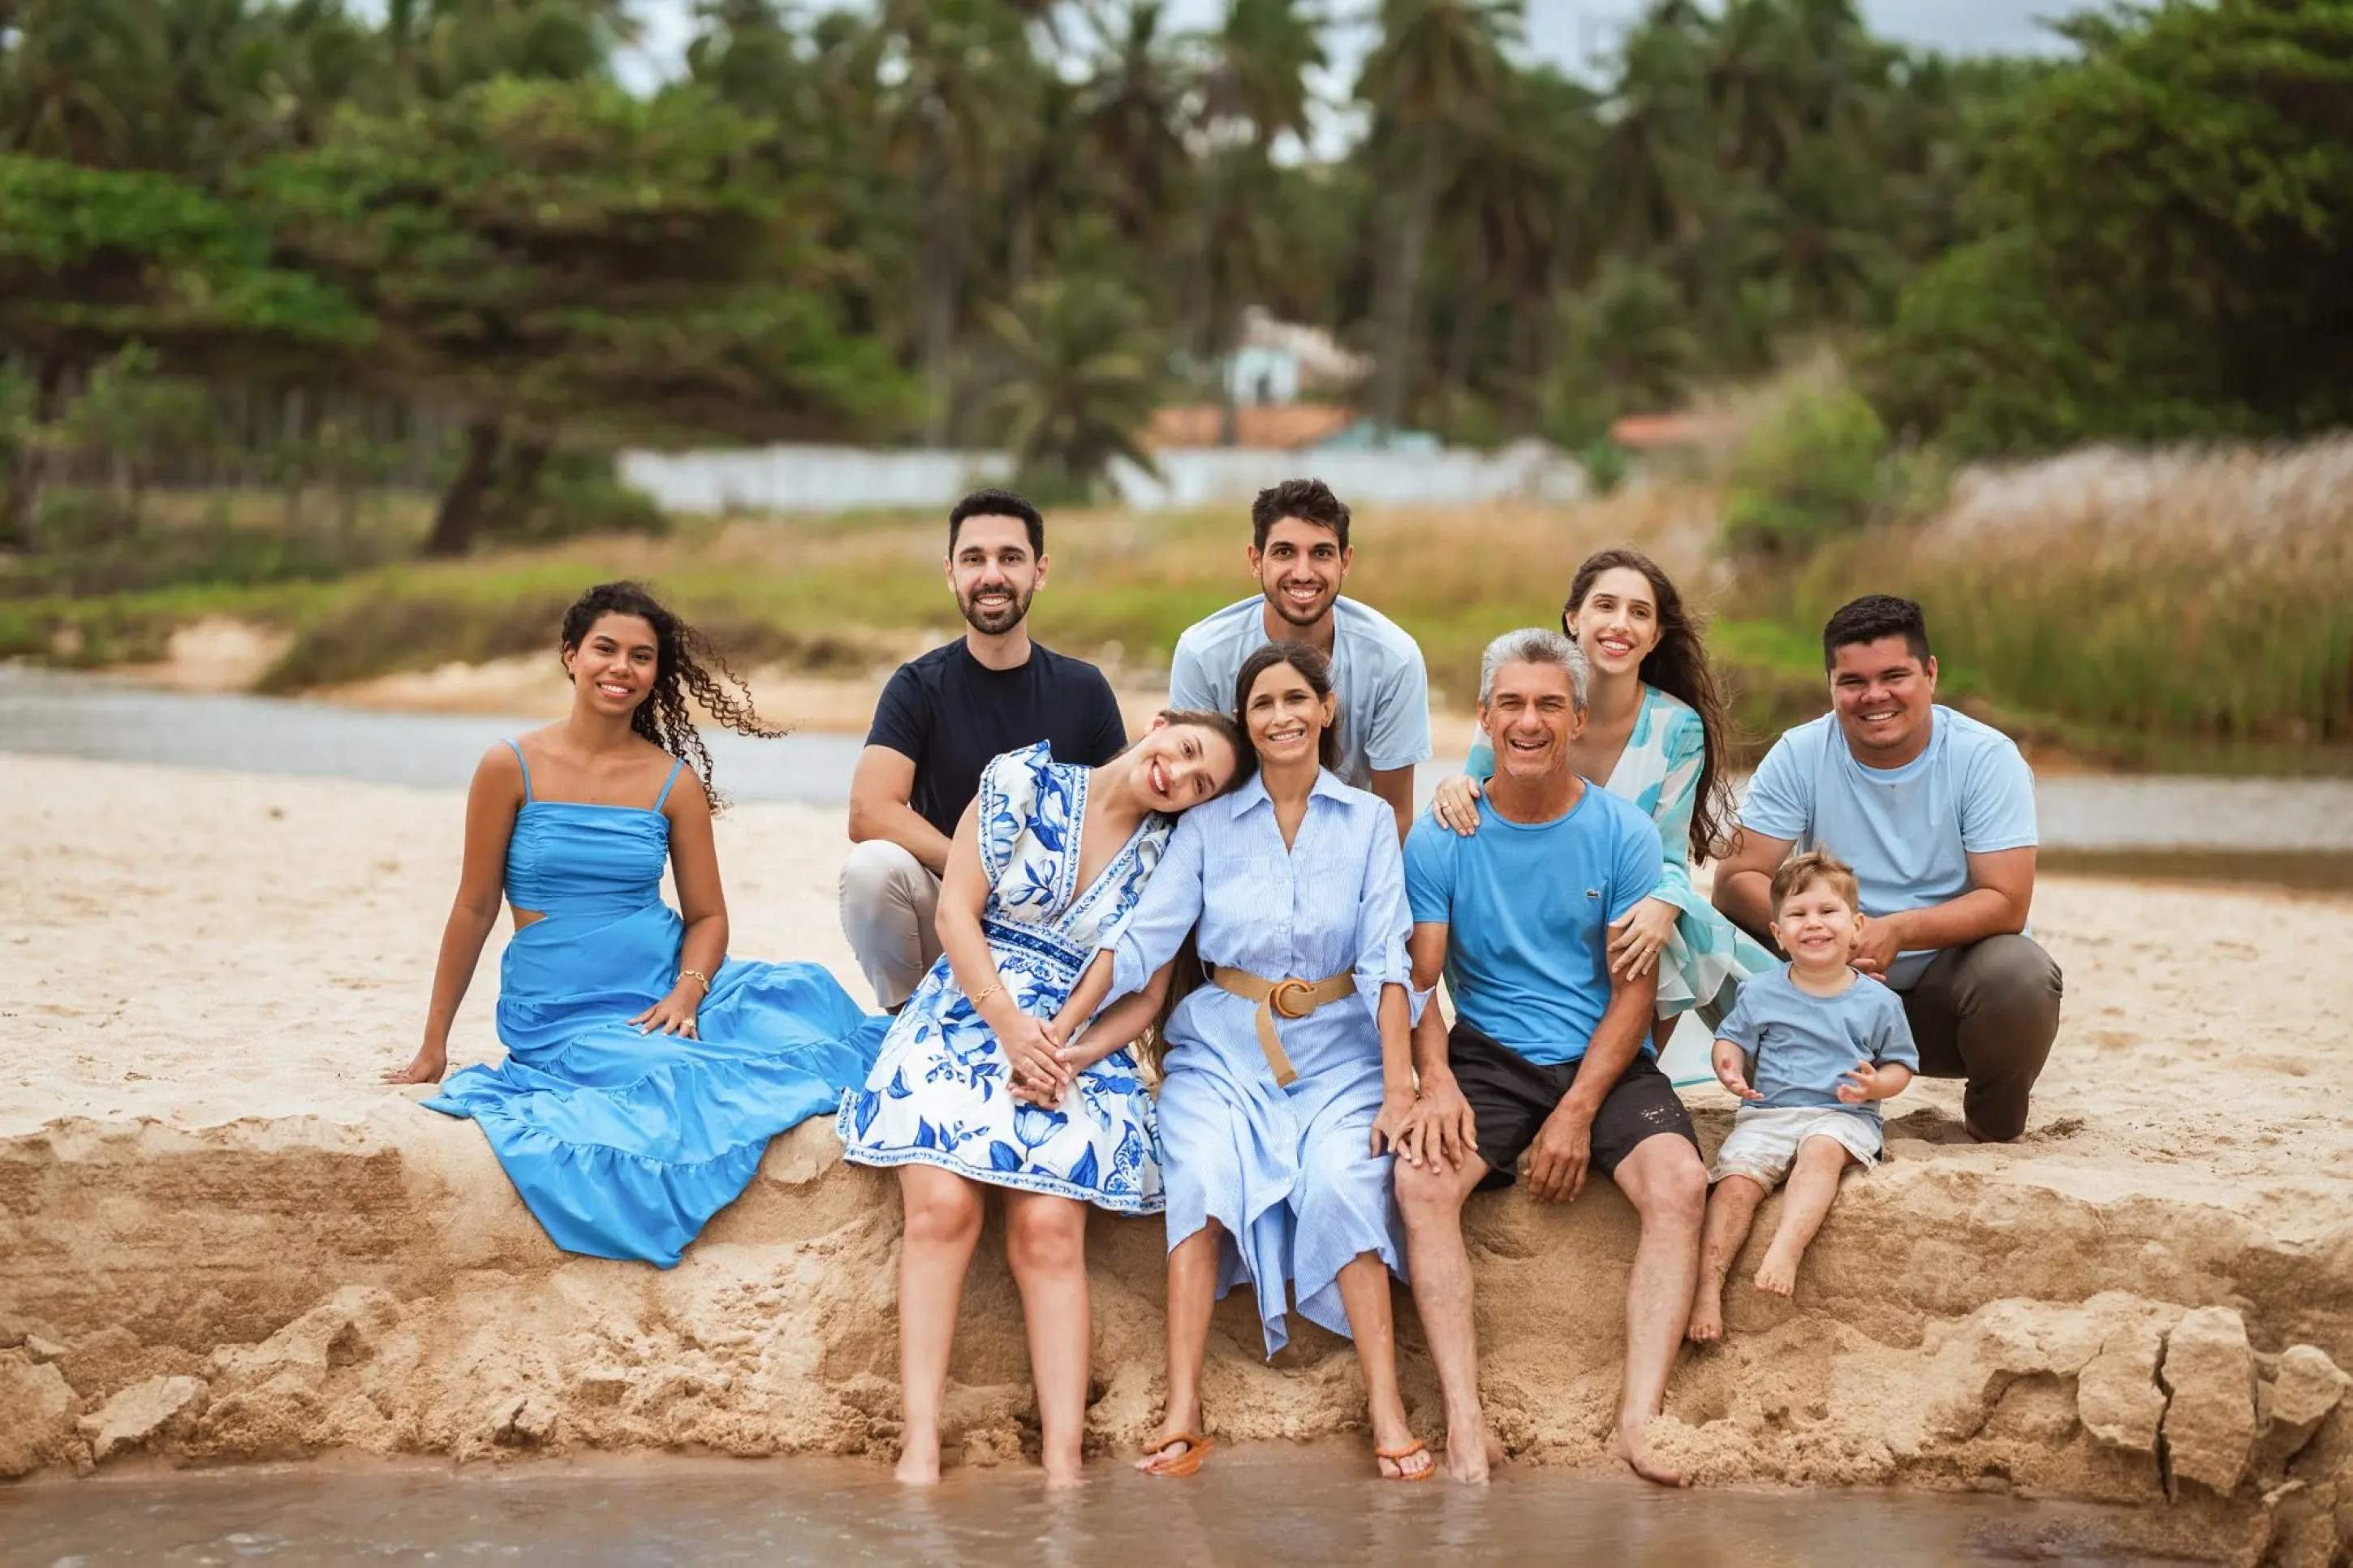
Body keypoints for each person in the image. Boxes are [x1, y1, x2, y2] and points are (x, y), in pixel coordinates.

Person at [385, 582, 888, 1269]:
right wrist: (433, 1045)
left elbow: (708, 916)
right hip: (563, 1010)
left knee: (798, 999)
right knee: (671, 1074)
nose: (622, 668)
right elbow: (474, 907)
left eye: (641, 657)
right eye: (605, 649)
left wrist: (686, 994)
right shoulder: (510, 766)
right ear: (570, 656)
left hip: (664, 982)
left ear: (656, 675)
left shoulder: (670, 781)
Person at [834, 713, 1251, 1488]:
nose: (1178, 777)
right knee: (943, 1210)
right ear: (1157, 725)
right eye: (1184, 751)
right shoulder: (1021, 782)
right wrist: (1005, 1024)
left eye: (1202, 785)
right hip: (966, 1006)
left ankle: (1063, 1465)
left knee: (1049, 1226)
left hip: (1075, 1043)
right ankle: (920, 1445)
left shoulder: (1168, 856)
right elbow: (955, 912)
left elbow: (1146, 997)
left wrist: (1072, 1053)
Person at [1075, 640, 1433, 1483]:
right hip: (1221, 1050)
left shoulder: (1370, 821)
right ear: (1248, 720)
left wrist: (1397, 1087)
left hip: (1343, 1051)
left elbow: (1389, 959)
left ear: (1326, 710)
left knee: (1346, 1184)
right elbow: (1145, 942)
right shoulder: (1203, 825)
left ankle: (1386, 1407)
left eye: (1295, 700)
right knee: (1197, 1174)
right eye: (1263, 704)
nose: (1281, 717)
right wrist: (1064, 1028)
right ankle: (1182, 1408)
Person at [1394, 628, 1709, 1488]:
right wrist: (1437, 1082)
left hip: (1602, 1054)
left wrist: (1575, 1111)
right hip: (1488, 1056)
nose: (1528, 722)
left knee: (1680, 1184)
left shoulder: (1621, 834)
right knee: (1420, 1183)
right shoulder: (1441, 837)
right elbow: (1420, 984)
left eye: (1547, 706)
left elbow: (1634, 993)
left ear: (1575, 719)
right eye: (1511, 705)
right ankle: (1466, 1422)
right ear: (1486, 718)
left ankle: (1638, 1419)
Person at [1711, 595, 2062, 1143]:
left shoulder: (1984, 757)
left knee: (2019, 975)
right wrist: (1826, 938)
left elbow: (2006, 899)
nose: (1874, 696)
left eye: (1894, 676)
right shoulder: (1799, 753)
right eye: (1852, 681)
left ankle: (1991, 1113)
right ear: (1829, 684)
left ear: (1929, 673)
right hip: (1824, 984)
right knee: (1706, 931)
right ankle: (1798, 1088)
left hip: (1947, 997)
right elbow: (1734, 881)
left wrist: (1896, 929)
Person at [1431, 548, 1772, 1039]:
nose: (1620, 624)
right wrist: (1451, 786)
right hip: (1527, 889)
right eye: (1606, 606)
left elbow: (1669, 860)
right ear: (1574, 619)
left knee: (1667, 914)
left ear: (1655, 636)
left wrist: (1665, 904)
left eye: (1639, 613)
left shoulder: (1677, 728)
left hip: (1621, 905)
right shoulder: (1526, 701)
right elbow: (1478, 798)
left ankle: (1643, 1060)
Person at [842, 489, 1127, 1010]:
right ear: (950, 572)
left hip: (1055, 921)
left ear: (1039, 572)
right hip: (949, 904)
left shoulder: (1084, 689)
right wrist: (976, 871)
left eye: (1010, 558)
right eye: (974, 559)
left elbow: (1122, 818)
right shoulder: (916, 686)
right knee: (871, 871)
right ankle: (906, 1016)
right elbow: (869, 812)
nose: (991, 575)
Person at [1687, 851, 1917, 1342]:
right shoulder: (1761, 991)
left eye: (1827, 912)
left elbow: (1900, 1064)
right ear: (1777, 933)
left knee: (1821, 1151)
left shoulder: (1879, 1001)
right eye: (1797, 914)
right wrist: (1725, 1062)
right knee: (1735, 1185)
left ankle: (1786, 1249)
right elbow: (1733, 1038)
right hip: (1768, 1114)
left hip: (1842, 1115)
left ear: (1856, 927)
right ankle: (1708, 1287)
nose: (1813, 924)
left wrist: (1877, 1085)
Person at [1168, 479, 1431, 839]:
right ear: (1256, 560)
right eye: (1284, 552)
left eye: (1322, 553)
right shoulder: (1202, 653)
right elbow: (1191, 804)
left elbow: (1396, 815)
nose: (1303, 573)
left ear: (1346, 561)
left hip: (1349, 847)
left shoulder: (1394, 659)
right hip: (1234, 844)